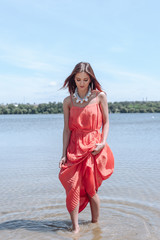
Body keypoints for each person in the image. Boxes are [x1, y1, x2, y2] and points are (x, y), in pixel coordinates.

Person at [59, 62, 114, 233]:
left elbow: (106, 122)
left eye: (85, 79)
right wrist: (63, 153)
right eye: (78, 79)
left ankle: (94, 225)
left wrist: (103, 142)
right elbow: (67, 129)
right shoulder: (68, 101)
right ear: (73, 80)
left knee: (91, 190)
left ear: (91, 79)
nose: (81, 83)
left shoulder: (100, 96)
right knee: (72, 187)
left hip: (93, 147)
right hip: (74, 147)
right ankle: (75, 228)